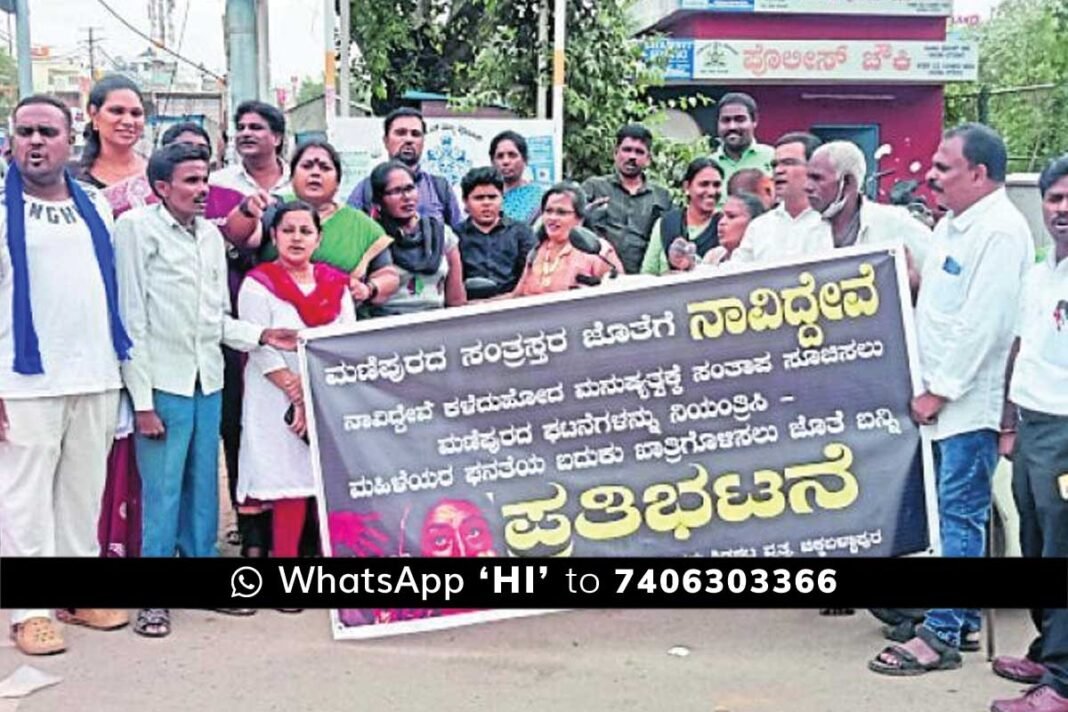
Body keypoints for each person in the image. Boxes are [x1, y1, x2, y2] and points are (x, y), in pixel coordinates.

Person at [114, 142, 299, 638]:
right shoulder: (135, 230)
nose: (202, 191)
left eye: (204, 180)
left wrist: (260, 335)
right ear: (161, 187)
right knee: (162, 491)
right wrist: (144, 402)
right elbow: (130, 320)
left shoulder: (210, 239)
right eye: (191, 181)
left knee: (202, 490)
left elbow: (217, 319)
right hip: (162, 383)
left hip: (208, 379)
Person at [869, 123, 1033, 676]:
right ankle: (958, 618)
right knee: (948, 518)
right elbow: (936, 308)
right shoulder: (952, 226)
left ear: (979, 174)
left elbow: (986, 325)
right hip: (935, 399)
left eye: (944, 167)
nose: (931, 176)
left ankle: (938, 635)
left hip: (964, 404)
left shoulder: (1003, 231)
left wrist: (939, 392)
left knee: (960, 518)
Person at [0, 95, 131, 655]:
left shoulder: (95, 206)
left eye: (46, 131)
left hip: (95, 371)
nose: (35, 141)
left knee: (83, 494)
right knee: (24, 498)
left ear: (70, 138)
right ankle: (29, 612)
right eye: (25, 131)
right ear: (10, 141)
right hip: (23, 379)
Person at [988, 156, 1068, 712]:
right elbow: (1021, 349)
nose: (1062, 210)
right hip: (1033, 428)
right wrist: (1009, 423)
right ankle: (1047, 651)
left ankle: (1061, 685)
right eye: (1055, 198)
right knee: (1036, 544)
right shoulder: (1041, 273)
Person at [237, 201, 356, 559]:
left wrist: (310, 391)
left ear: (319, 239)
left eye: (306, 231)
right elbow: (258, 343)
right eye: (288, 230)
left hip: (324, 392)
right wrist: (294, 389)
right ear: (273, 236)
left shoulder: (336, 284)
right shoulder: (258, 284)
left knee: (320, 480)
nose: (296, 238)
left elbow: (343, 341)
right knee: (286, 479)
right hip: (272, 394)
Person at [205, 101, 291, 559]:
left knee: (291, 417)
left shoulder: (302, 183)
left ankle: (293, 529)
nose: (246, 133)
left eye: (257, 127)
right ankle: (249, 523)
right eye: (240, 127)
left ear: (277, 137)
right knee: (239, 421)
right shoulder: (218, 188)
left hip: (294, 318)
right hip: (235, 317)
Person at [253, 140, 399, 308]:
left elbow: (388, 274)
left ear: (338, 181)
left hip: (338, 321)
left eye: (325, 168)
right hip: (273, 315)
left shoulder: (363, 226)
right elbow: (241, 239)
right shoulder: (272, 209)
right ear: (292, 176)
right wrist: (247, 210)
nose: (315, 173)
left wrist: (369, 289)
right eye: (307, 166)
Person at [805, 140, 931, 290]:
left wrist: (912, 283)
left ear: (847, 182)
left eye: (817, 178)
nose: (807, 186)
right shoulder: (803, 231)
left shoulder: (896, 224)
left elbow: (938, 281)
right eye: (807, 178)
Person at [366, 160, 466, 316]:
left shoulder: (443, 234)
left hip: (436, 325)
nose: (406, 197)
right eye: (396, 191)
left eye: (410, 188)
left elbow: (456, 302)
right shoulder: (371, 238)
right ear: (379, 201)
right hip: (386, 327)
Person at [346, 107, 463, 230]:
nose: (409, 140)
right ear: (386, 141)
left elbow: (459, 236)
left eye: (415, 134)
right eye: (401, 133)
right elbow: (349, 234)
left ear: (423, 141)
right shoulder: (367, 188)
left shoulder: (439, 188)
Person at [581, 124, 671, 274]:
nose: (632, 157)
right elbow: (573, 224)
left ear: (648, 159)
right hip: (599, 276)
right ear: (615, 153)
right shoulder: (593, 187)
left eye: (639, 152)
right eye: (627, 150)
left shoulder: (661, 196)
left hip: (645, 279)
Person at [727, 132, 824, 265]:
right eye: (775, 165)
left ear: (814, 168)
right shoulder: (759, 227)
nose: (778, 170)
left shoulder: (832, 222)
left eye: (788, 163)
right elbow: (734, 274)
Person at [511, 182, 623, 297]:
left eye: (561, 212)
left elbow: (621, 297)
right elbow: (517, 295)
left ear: (580, 218)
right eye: (548, 211)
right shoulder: (536, 251)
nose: (552, 218)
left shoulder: (599, 251)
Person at [75, 74, 153, 216]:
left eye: (136, 113)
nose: (129, 121)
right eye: (117, 111)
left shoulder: (157, 173)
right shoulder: (71, 180)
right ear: (93, 114)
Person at [455, 166, 537, 298]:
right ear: (465, 201)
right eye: (479, 198)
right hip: (468, 308)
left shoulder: (521, 232)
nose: (486, 203)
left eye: (492, 197)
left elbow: (531, 274)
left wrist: (508, 298)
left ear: (502, 198)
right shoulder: (454, 236)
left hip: (513, 306)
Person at [640, 157, 723, 275]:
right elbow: (648, 274)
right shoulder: (666, 223)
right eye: (704, 184)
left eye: (716, 185)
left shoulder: (725, 224)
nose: (711, 191)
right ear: (687, 187)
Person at [711, 92, 775, 188]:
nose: (732, 127)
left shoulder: (772, 158)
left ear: (754, 121)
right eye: (726, 120)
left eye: (740, 119)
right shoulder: (710, 165)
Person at [490, 130, 545, 224]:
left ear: (525, 160)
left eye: (512, 155)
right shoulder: (484, 196)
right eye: (500, 156)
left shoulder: (538, 198)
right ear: (492, 162)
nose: (506, 161)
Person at [711, 192, 766, 262]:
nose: (721, 222)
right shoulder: (713, 255)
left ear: (753, 222)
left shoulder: (762, 255)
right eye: (721, 217)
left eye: (731, 216)